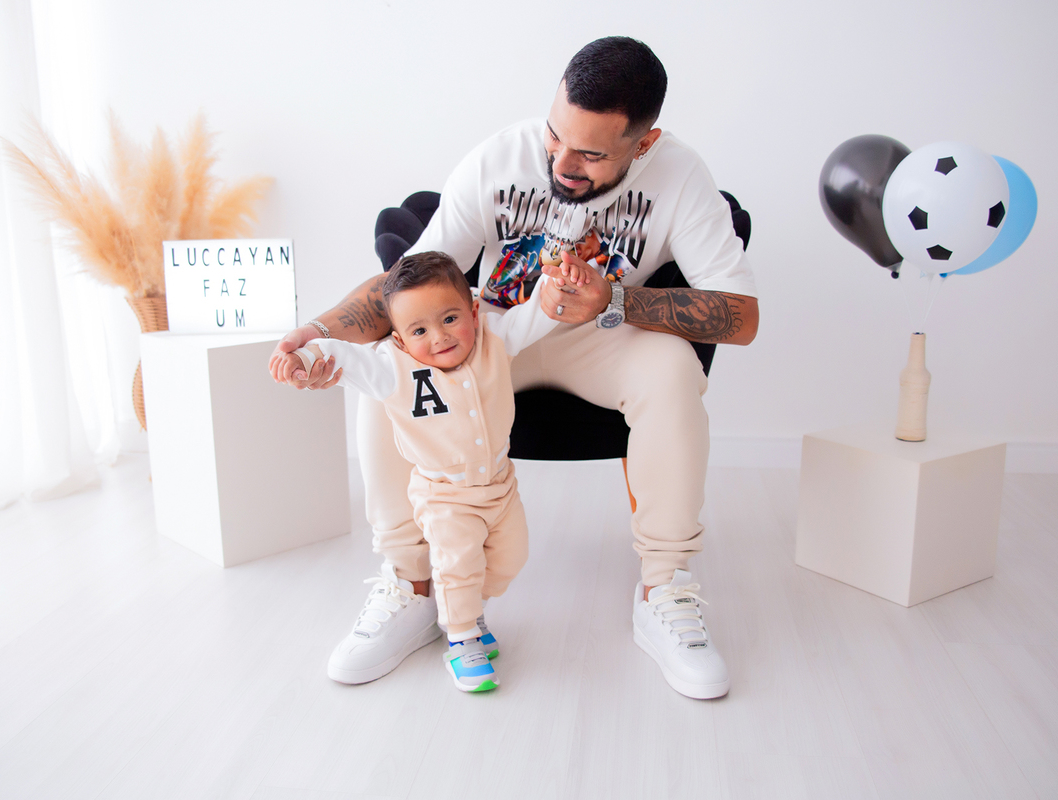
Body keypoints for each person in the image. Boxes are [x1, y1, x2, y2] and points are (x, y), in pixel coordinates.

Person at [269, 36, 759, 700]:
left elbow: (742, 315)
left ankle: (664, 590)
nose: (562, 162)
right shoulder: (500, 158)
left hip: (604, 334)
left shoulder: (680, 175)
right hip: (498, 336)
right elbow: (400, 287)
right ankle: (412, 587)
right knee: (395, 371)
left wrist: (616, 298)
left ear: (643, 145)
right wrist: (321, 330)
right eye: (556, 136)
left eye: (590, 153)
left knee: (672, 369)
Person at [279, 250, 559, 691]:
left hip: (500, 487)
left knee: (511, 557)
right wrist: (307, 356)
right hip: (444, 495)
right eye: (419, 330)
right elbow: (341, 354)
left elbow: (536, 313)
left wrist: (558, 283)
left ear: (472, 309)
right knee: (458, 564)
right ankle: (462, 640)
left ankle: (466, 608)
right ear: (401, 339)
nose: (440, 337)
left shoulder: (494, 337)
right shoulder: (392, 366)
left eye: (450, 319)